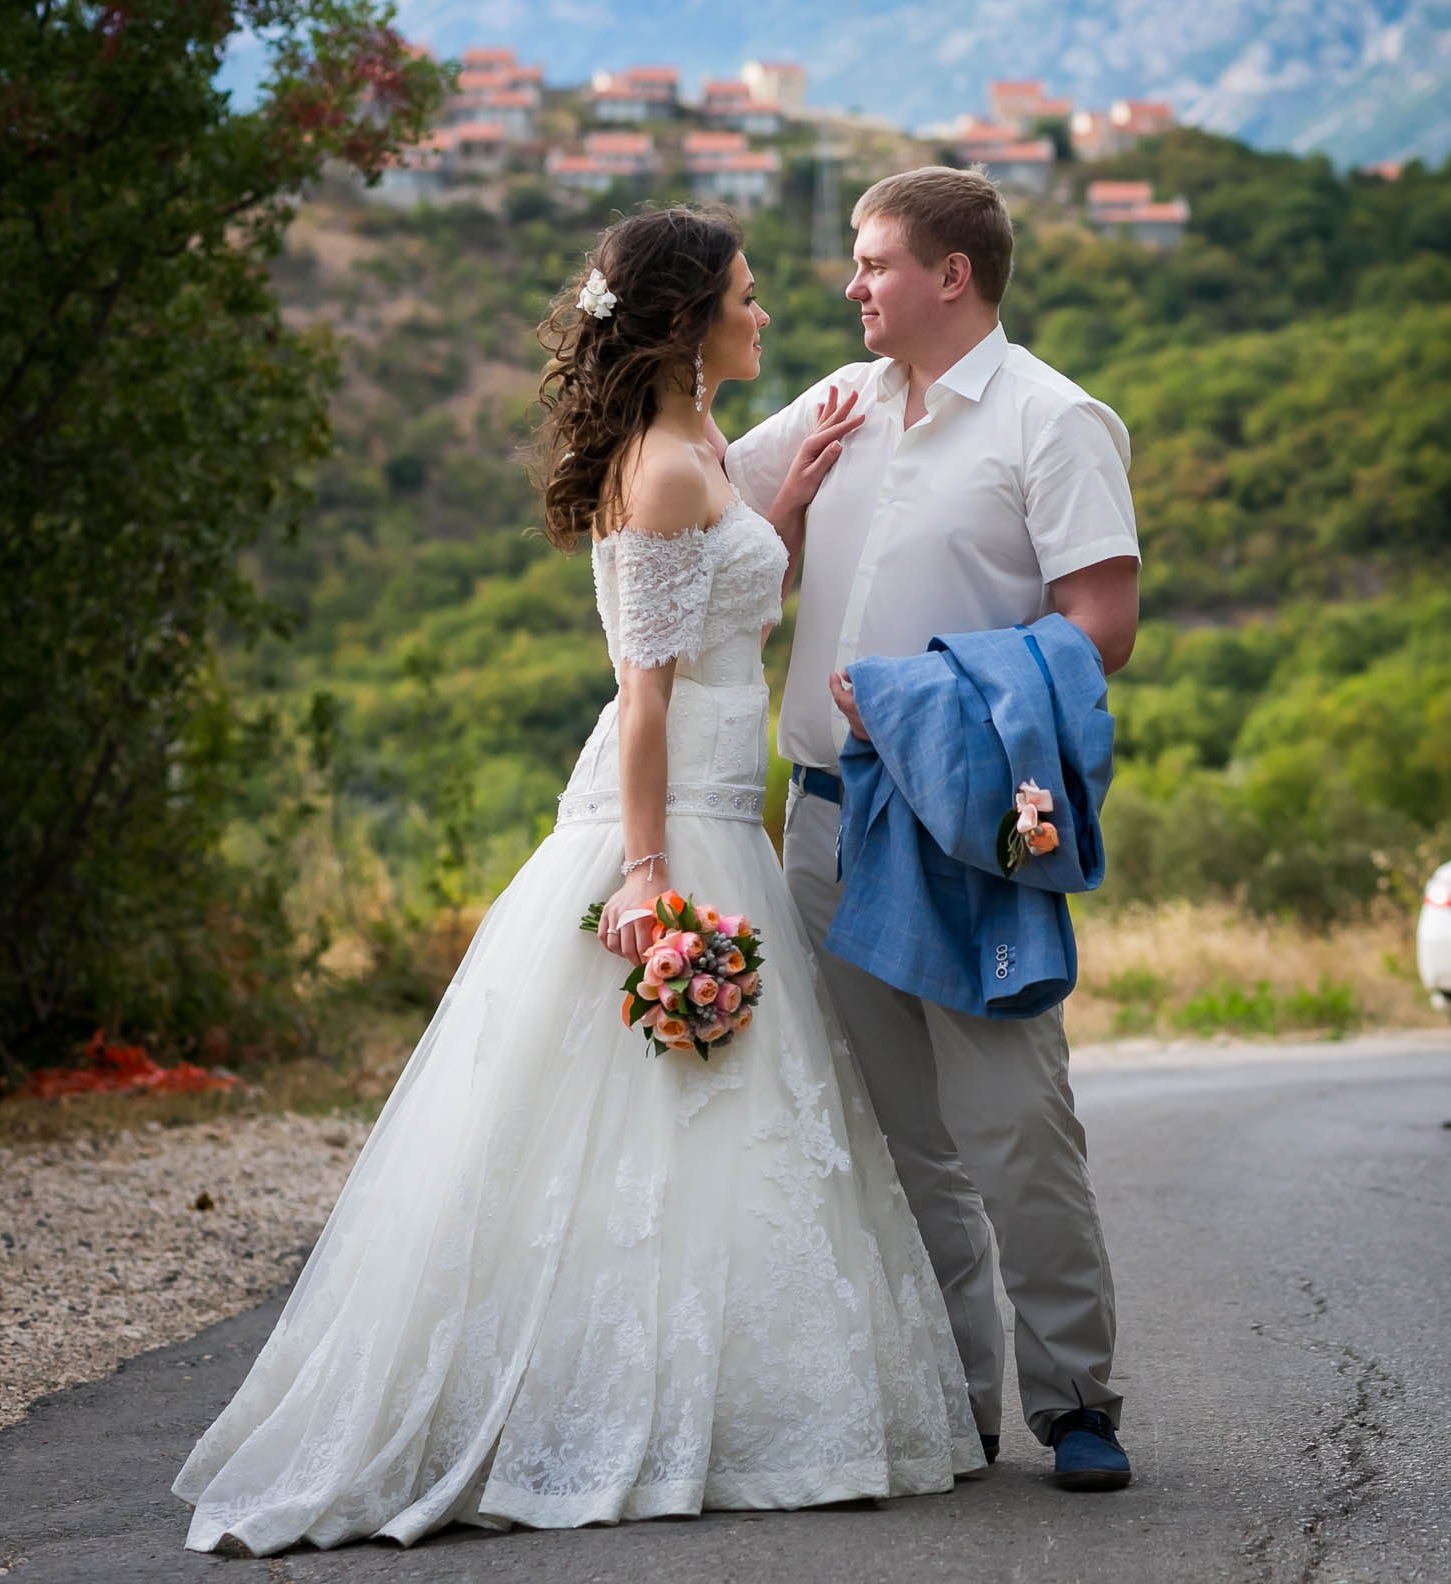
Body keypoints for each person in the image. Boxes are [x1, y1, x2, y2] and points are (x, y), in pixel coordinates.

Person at [172, 205, 983, 1557]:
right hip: (673, 815)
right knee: (666, 1111)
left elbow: (726, 609)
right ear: (682, 323)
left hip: (723, 796)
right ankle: (613, 1404)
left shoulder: (702, 448)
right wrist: (648, 878)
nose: (765, 313)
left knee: (716, 1122)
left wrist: (779, 511)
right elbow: (646, 697)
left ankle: (721, 1399)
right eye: (743, 294)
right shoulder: (662, 468)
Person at [724, 167, 1141, 1491]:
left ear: (950, 276)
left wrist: (931, 701)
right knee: (895, 1139)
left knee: (1016, 1124)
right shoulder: (832, 407)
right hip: (824, 822)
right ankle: (946, 1404)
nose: (850, 286)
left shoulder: (1054, 421)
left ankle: (1076, 1403)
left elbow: (1101, 625)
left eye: (875, 262)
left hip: (963, 823)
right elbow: (692, 519)